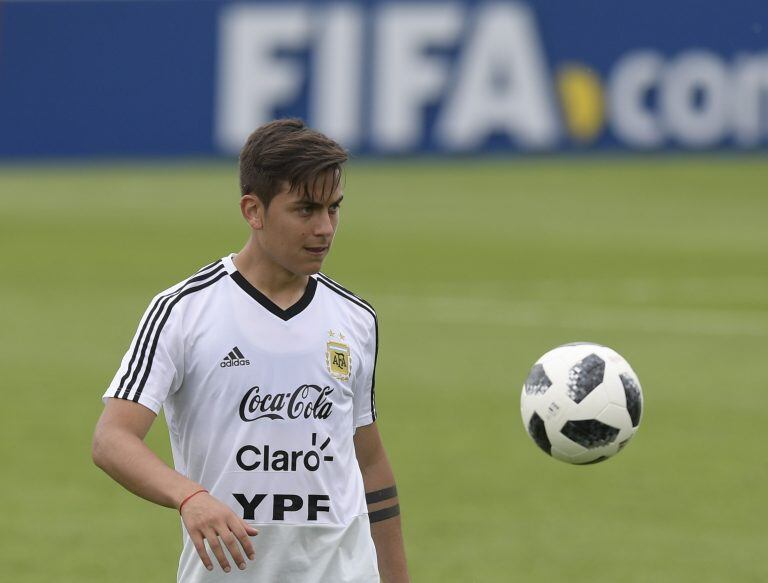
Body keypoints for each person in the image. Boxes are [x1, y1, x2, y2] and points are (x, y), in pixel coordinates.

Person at [92, 119, 410, 582]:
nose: (325, 228)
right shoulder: (183, 311)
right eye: (305, 210)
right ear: (253, 210)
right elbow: (112, 439)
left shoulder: (356, 319)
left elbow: (370, 462)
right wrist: (190, 497)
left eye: (333, 209)